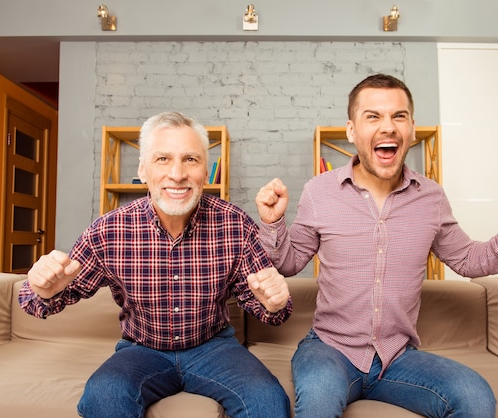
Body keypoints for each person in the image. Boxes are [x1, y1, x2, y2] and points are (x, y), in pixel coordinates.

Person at [255, 74, 498, 418]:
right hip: (329, 349)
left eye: (398, 116)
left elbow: (467, 259)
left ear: (412, 129)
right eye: (373, 117)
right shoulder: (320, 191)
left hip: (398, 356)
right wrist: (272, 224)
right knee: (317, 400)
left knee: (475, 397)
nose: (388, 127)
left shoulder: (431, 198)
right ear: (351, 130)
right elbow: (289, 261)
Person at [19, 111, 293, 418]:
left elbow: (272, 310)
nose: (177, 174)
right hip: (141, 350)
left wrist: (273, 304)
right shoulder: (110, 230)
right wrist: (42, 290)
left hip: (214, 347)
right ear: (143, 169)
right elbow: (34, 303)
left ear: (206, 171)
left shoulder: (234, 223)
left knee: (269, 402)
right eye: (163, 158)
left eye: (191, 159)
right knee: (103, 396)